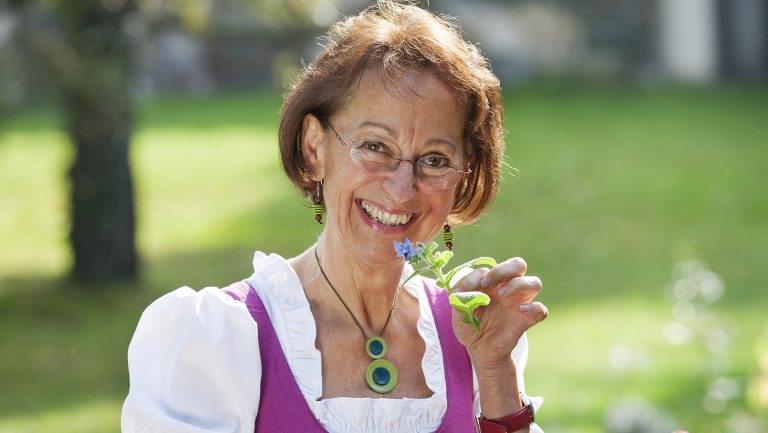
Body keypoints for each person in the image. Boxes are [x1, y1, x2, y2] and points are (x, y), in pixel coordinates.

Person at [121, 2, 548, 432]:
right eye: (375, 147)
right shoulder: (218, 340)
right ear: (314, 148)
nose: (401, 188)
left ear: (463, 174)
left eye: (435, 159)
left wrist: (496, 373)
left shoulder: (473, 340)